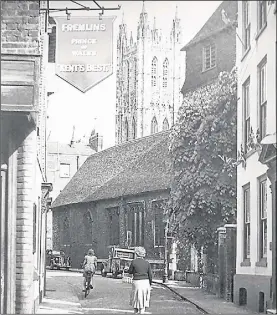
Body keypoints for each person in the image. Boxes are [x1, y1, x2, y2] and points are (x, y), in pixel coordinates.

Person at [128, 246, 152, 314]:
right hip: (145, 282)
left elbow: (130, 271)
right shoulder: (147, 263)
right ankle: (142, 312)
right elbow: (150, 275)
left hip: (137, 282)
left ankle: (135, 312)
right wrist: (150, 284)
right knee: (143, 300)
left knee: (136, 299)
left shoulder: (133, 262)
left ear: (136, 254)